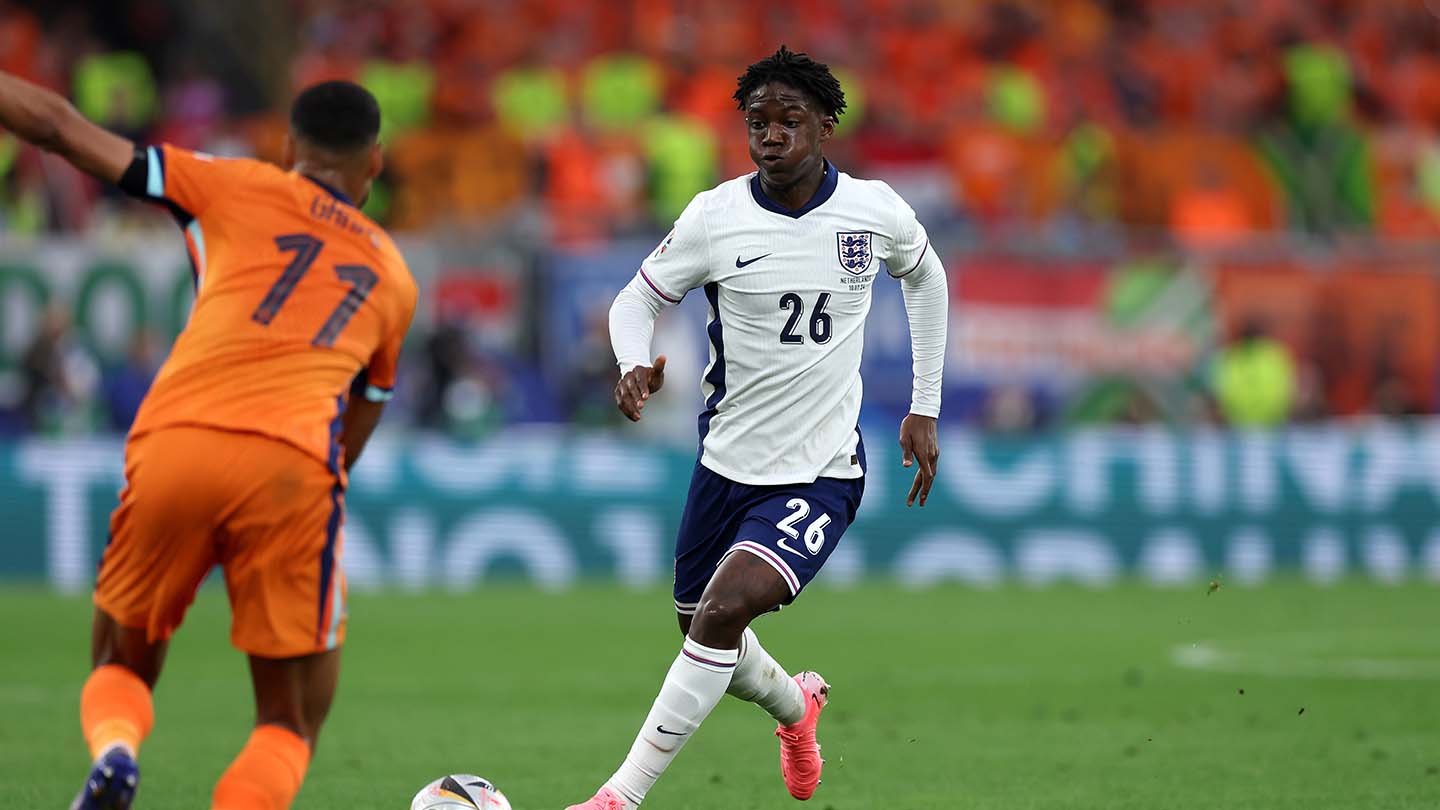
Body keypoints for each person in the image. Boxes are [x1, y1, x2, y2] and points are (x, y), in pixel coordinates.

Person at [0, 72, 417, 810]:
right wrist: (307, 492)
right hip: (291, 461)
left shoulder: (228, 183)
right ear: (375, 163)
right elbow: (363, 414)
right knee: (288, 720)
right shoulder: (392, 274)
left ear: (288, 147)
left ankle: (117, 753)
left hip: (177, 438)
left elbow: (60, 128)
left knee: (120, 659)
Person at [569, 46, 947, 809]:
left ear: (825, 126)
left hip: (821, 470)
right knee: (702, 631)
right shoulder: (716, 216)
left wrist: (924, 402)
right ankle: (797, 709)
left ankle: (617, 798)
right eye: (757, 122)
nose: (770, 135)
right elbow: (634, 301)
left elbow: (926, 275)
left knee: (721, 611)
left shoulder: (873, 211)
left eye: (789, 120)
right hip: (725, 464)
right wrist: (632, 362)